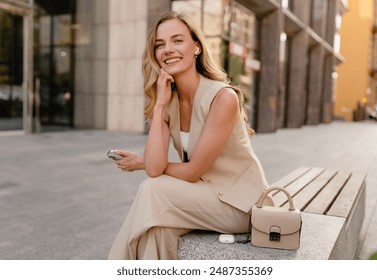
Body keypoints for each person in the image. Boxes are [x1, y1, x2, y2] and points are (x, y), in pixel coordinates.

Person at [107, 11, 273, 260]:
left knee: (153, 190)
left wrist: (143, 162)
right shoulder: (167, 100)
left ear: (196, 47)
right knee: (157, 229)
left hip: (243, 205)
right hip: (203, 196)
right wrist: (160, 104)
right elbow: (155, 167)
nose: (168, 49)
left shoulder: (222, 97)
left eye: (177, 40)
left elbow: (189, 171)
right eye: (160, 44)